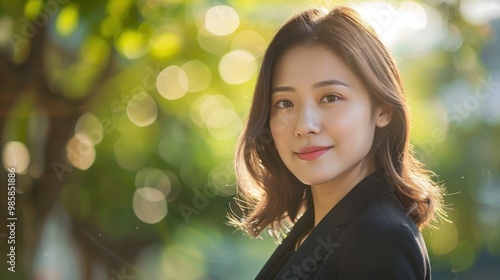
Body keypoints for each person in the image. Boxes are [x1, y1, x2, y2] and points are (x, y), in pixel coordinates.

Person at [229, 5, 446, 280]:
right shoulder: (319, 229)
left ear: (382, 109)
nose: (305, 125)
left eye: (330, 97)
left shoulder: (380, 240)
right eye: (284, 103)